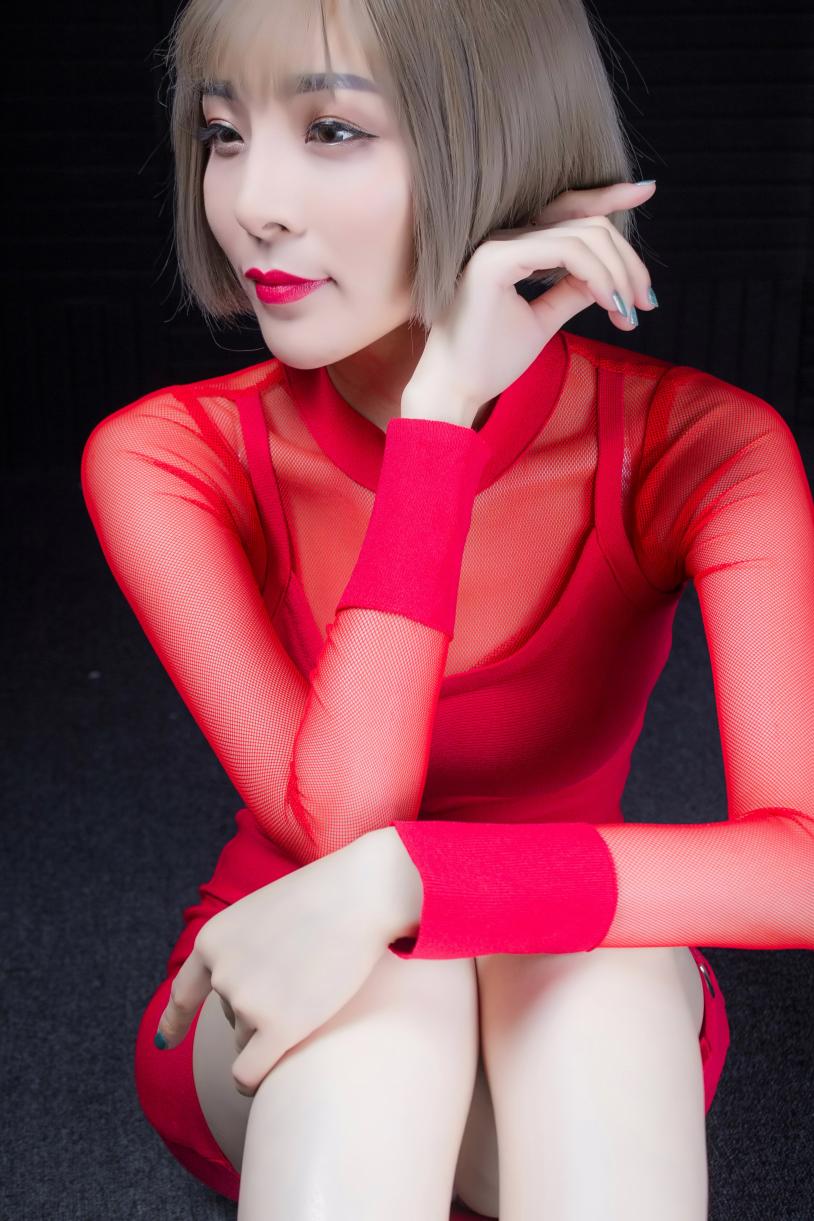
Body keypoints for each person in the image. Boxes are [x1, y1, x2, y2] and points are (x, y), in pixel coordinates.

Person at [80, 1, 814, 1218]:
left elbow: (798, 866)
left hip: (576, 990)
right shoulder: (167, 454)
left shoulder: (704, 447)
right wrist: (439, 425)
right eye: (223, 134)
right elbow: (343, 828)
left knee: (597, 979)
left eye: (330, 130)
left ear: (499, 142)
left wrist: (414, 881)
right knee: (388, 998)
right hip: (298, 980)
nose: (252, 201)